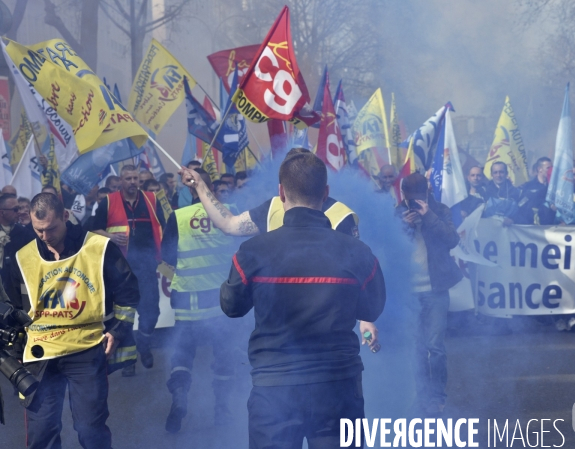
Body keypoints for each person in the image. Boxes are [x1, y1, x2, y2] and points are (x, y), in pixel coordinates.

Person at [220, 151, 386, 448]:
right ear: (325, 194)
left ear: (281, 193)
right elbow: (371, 308)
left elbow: (231, 307)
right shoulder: (357, 252)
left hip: (274, 390)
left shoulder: (252, 251)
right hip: (338, 387)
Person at [180, 149, 381, 346]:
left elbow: (357, 274)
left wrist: (365, 320)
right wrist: (199, 185)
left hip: (320, 330)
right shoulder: (271, 208)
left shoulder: (341, 215)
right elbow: (229, 224)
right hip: (286, 330)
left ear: (282, 189)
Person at [7, 192, 139, 449]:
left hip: (86, 349)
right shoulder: (21, 257)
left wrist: (118, 330)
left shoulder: (99, 248)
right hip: (40, 355)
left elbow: (128, 291)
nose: (45, 237)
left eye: (51, 229)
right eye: (38, 230)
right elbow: (14, 306)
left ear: (65, 216)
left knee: (91, 429)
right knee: (42, 433)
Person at [162, 169, 240, 432]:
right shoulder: (230, 211)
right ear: (212, 188)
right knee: (224, 356)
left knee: (183, 354)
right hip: (221, 300)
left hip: (187, 300)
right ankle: (222, 410)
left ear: (190, 190)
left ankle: (180, 397)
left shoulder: (179, 217)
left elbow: (167, 257)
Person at [397, 173, 462, 417]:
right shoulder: (396, 213)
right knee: (416, 348)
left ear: (427, 193)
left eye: (419, 199)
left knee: (435, 347)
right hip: (409, 293)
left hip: (435, 290)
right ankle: (423, 396)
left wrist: (429, 216)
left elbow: (452, 240)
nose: (414, 203)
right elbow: (389, 248)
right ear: (403, 195)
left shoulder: (440, 210)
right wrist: (404, 226)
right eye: (410, 199)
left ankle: (438, 397)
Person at [93, 165, 165, 377]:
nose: (133, 182)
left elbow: (164, 225)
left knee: (151, 311)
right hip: (119, 268)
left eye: (136, 178)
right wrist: (110, 236)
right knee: (124, 315)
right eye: (128, 178)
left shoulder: (152, 200)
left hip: (147, 265)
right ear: (121, 181)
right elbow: (93, 229)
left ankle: (143, 341)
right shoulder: (108, 201)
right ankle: (129, 362)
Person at [0, 193, 35, 296]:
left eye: (19, 208)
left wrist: (29, 224)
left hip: (16, 291)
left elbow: (37, 249)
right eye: (15, 209)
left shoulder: (23, 233)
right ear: (2, 212)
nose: (19, 212)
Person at [514, 157, 552, 224]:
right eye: (548, 168)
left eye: (552, 168)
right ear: (540, 169)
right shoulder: (528, 186)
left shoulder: (553, 187)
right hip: (532, 225)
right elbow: (520, 205)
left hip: (550, 224)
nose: (551, 170)